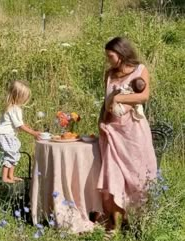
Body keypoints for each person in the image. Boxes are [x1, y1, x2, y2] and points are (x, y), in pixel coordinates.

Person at [97, 37, 157, 233]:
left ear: (121, 54)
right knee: (112, 176)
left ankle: (138, 222)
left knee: (137, 177)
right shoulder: (109, 74)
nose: (108, 60)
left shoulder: (140, 71)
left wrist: (119, 97)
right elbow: (104, 101)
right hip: (113, 131)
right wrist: (101, 121)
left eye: (110, 56)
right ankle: (113, 225)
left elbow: (143, 96)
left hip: (134, 133)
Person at [0, 80, 41, 183]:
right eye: (24, 97)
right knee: (10, 154)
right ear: (19, 96)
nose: (25, 99)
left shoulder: (13, 107)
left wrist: (30, 129)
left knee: (14, 153)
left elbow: (19, 123)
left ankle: (11, 176)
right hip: (5, 135)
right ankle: (4, 177)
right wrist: (33, 133)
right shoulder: (14, 108)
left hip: (8, 135)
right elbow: (19, 125)